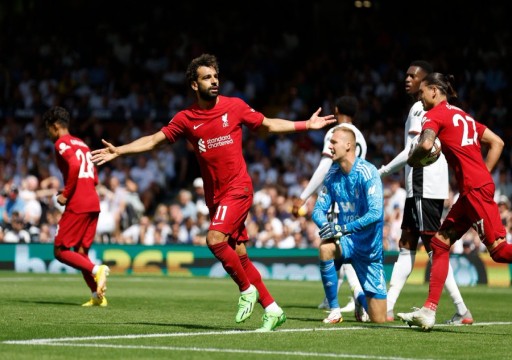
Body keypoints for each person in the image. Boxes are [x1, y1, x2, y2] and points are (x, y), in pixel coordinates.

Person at [91, 53, 335, 331]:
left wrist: (305, 125)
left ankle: (246, 290)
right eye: (207, 77)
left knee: (215, 239)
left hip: (239, 189)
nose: (214, 81)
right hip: (216, 197)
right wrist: (119, 150)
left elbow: (267, 123)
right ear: (194, 85)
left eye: (216, 76)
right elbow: (155, 140)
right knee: (239, 253)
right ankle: (273, 309)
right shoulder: (186, 118)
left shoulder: (235, 107)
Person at [398, 72, 511, 331]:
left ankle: (431, 309)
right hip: (474, 188)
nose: (420, 98)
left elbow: (426, 145)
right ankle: (429, 310)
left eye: (422, 92)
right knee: (440, 243)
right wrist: (482, 175)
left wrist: (414, 160)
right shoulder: (464, 116)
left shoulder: (434, 115)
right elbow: (498, 142)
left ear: (435, 91)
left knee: (499, 250)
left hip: (474, 190)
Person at [378, 61, 472, 324]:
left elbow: (414, 149)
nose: (407, 78)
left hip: (423, 185)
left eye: (413, 75)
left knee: (435, 249)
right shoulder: (428, 108)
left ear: (427, 83)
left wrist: (382, 171)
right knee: (407, 244)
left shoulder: (422, 109)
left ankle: (461, 309)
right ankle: (388, 305)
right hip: (420, 187)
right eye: (406, 74)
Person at [294, 96, 368, 322]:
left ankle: (349, 298)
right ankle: (356, 297)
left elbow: (325, 166)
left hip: (339, 199)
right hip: (358, 200)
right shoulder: (359, 136)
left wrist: (304, 197)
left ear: (335, 110)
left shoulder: (336, 133)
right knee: (348, 251)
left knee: (334, 248)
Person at [312, 126, 387, 324]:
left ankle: (360, 299)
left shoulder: (367, 172)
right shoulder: (332, 175)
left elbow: (375, 213)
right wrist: (327, 226)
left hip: (370, 250)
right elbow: (317, 210)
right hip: (346, 242)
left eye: (334, 142)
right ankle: (335, 310)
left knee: (379, 319)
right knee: (326, 248)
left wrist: (342, 228)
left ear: (348, 145)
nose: (330, 146)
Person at [43, 106, 110, 307]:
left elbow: (73, 166)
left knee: (60, 250)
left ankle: (97, 269)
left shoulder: (61, 143)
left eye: (48, 129)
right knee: (81, 252)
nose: (48, 133)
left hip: (78, 202)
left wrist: (66, 194)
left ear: (55, 126)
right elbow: (95, 178)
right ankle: (98, 297)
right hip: (93, 201)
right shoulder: (82, 144)